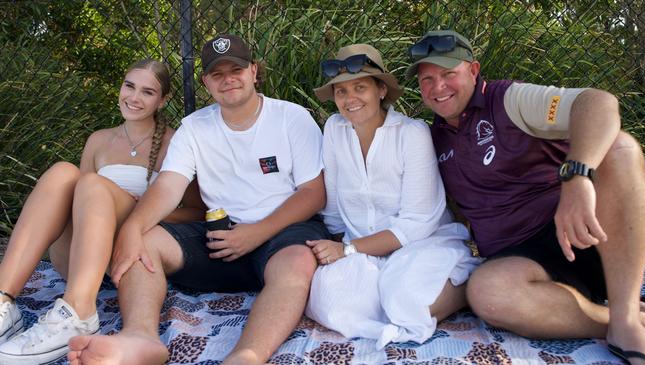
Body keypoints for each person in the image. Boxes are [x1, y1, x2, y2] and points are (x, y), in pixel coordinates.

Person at [67, 34, 329, 365]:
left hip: (282, 231)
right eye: (217, 74)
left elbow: (313, 193)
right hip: (221, 237)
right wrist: (133, 228)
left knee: (298, 262)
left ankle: (246, 356)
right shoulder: (194, 128)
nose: (228, 79)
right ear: (206, 82)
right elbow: (168, 187)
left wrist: (257, 233)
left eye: (236, 70)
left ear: (253, 71)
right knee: (144, 242)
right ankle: (140, 337)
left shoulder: (291, 117)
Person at [407, 29, 645, 364]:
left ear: (474, 70)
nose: (438, 87)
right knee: (487, 294)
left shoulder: (508, 99)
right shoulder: (428, 138)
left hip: (581, 231)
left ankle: (625, 320)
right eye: (427, 79)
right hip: (523, 265)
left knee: (620, 147)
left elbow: (597, 103)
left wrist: (577, 176)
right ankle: (611, 318)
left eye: (449, 74)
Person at [0, 59, 204, 364]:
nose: (134, 98)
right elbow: (80, 200)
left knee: (94, 184)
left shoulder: (175, 143)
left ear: (163, 100)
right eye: (129, 86)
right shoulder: (98, 140)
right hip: (79, 257)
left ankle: (79, 311)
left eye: (148, 92)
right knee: (62, 172)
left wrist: (140, 212)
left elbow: (197, 212)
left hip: (128, 261)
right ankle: (5, 301)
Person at [304, 44, 480, 349]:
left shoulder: (412, 134)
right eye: (341, 91)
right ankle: (396, 302)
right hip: (361, 248)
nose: (350, 99)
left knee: (403, 299)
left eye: (360, 87)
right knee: (328, 300)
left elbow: (416, 225)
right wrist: (337, 249)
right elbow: (332, 206)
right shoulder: (334, 128)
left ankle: (464, 285)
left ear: (381, 90)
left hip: (421, 243)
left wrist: (348, 250)